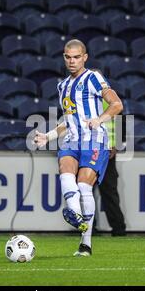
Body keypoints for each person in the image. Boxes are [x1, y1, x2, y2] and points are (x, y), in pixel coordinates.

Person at [34, 39, 123, 256]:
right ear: (64, 57)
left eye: (76, 57)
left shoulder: (93, 77)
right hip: (72, 141)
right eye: (68, 57)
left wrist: (99, 120)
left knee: (84, 187)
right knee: (65, 171)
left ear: (85, 57)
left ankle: (86, 242)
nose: (72, 61)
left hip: (95, 141)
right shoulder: (62, 86)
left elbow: (117, 104)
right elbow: (69, 119)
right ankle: (75, 214)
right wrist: (49, 136)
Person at [96, 74, 126, 237]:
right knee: (85, 193)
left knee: (109, 193)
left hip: (107, 154)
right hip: (88, 151)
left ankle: (119, 229)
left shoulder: (109, 98)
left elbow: (120, 122)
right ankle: (88, 230)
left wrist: (116, 146)